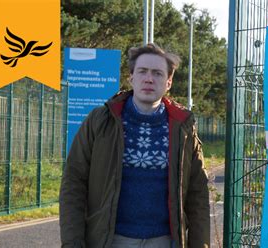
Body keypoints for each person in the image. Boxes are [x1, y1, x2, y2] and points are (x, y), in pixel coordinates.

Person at [59, 43, 210, 248]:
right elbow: (73, 183)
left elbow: (198, 195)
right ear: (131, 77)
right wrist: (72, 243)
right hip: (110, 240)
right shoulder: (101, 121)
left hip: (164, 241)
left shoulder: (183, 128)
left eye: (157, 73)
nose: (149, 78)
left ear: (169, 82)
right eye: (142, 71)